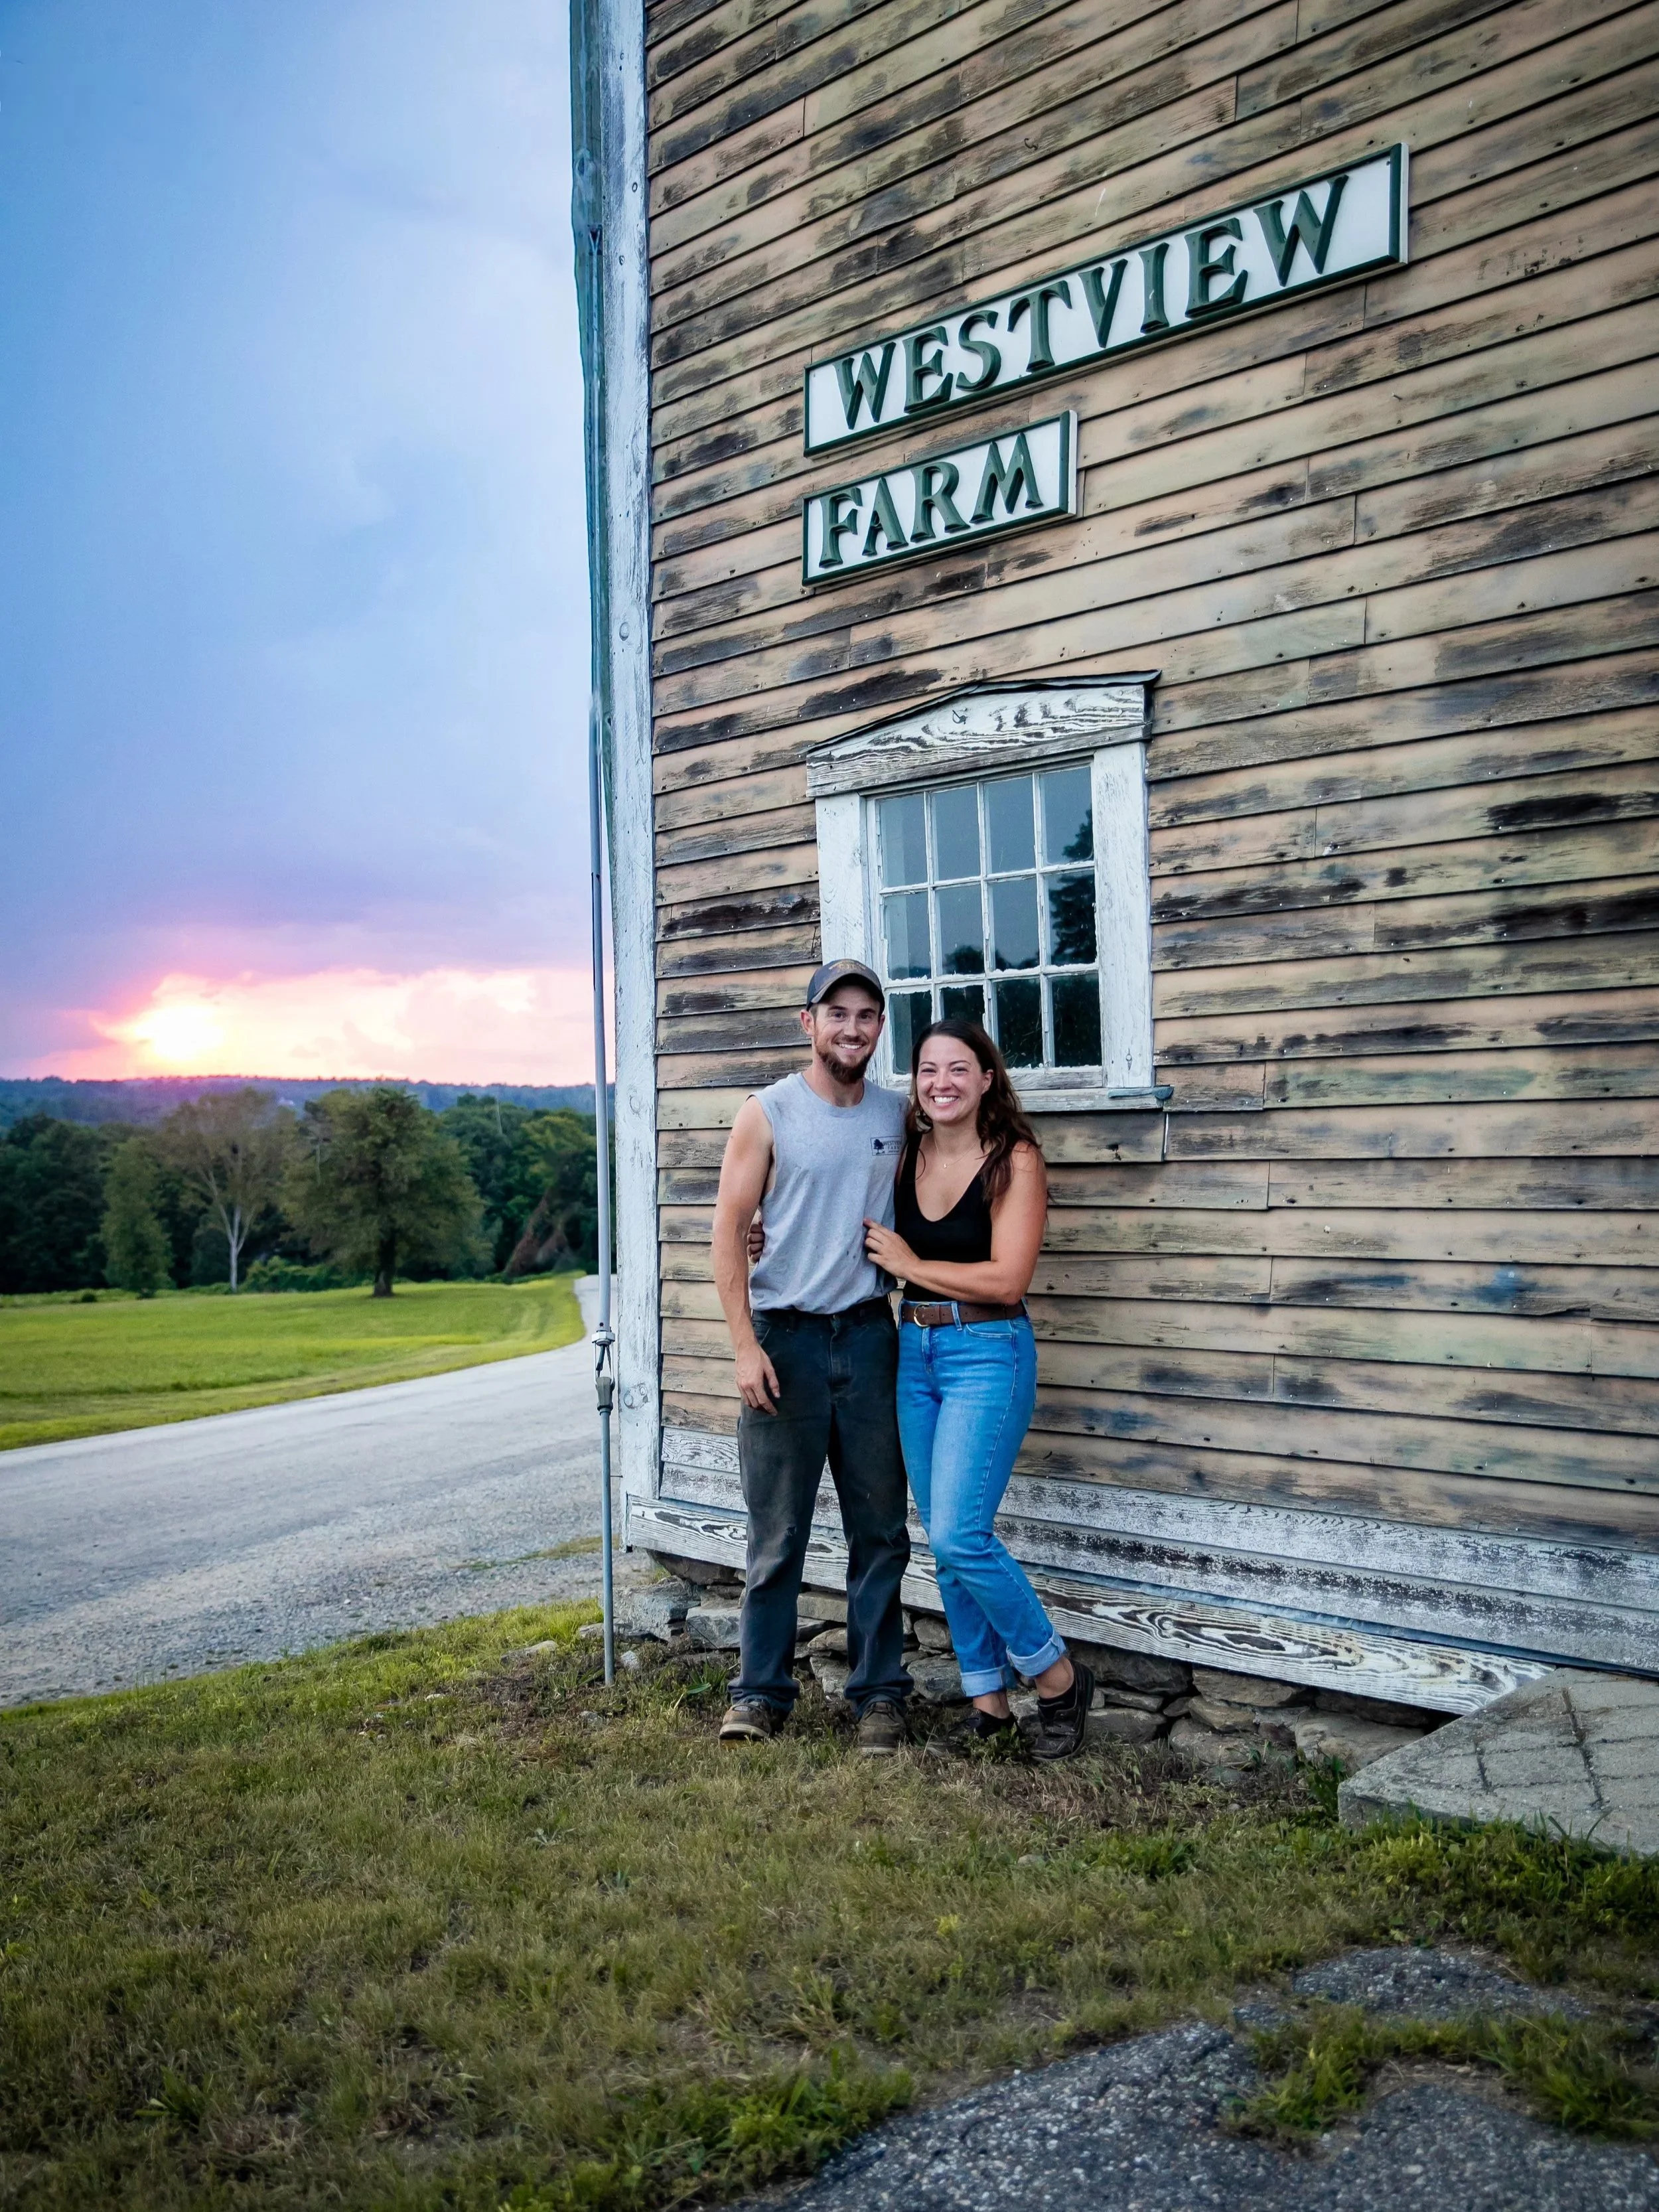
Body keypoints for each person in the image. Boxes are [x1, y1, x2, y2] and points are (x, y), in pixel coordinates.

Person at [863, 1019, 1094, 1761]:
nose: (941, 1083)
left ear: (987, 1078)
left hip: (987, 1351)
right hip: (914, 1353)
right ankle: (987, 1706)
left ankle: (1056, 1679)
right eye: (928, 1070)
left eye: (958, 1069)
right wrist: (759, 1233)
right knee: (945, 1539)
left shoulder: (1014, 1159)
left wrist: (908, 1262)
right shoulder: (907, 1153)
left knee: (963, 1535)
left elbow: (1006, 1279)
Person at [709, 958, 913, 1757]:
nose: (852, 1028)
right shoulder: (766, 1113)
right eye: (838, 1014)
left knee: (880, 1531)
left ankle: (879, 1698)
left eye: (867, 1015)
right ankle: (759, 1695)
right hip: (784, 1341)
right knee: (776, 1535)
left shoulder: (900, 1115)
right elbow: (729, 1231)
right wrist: (742, 1346)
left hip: (869, 1338)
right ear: (809, 1023)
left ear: (877, 1029)